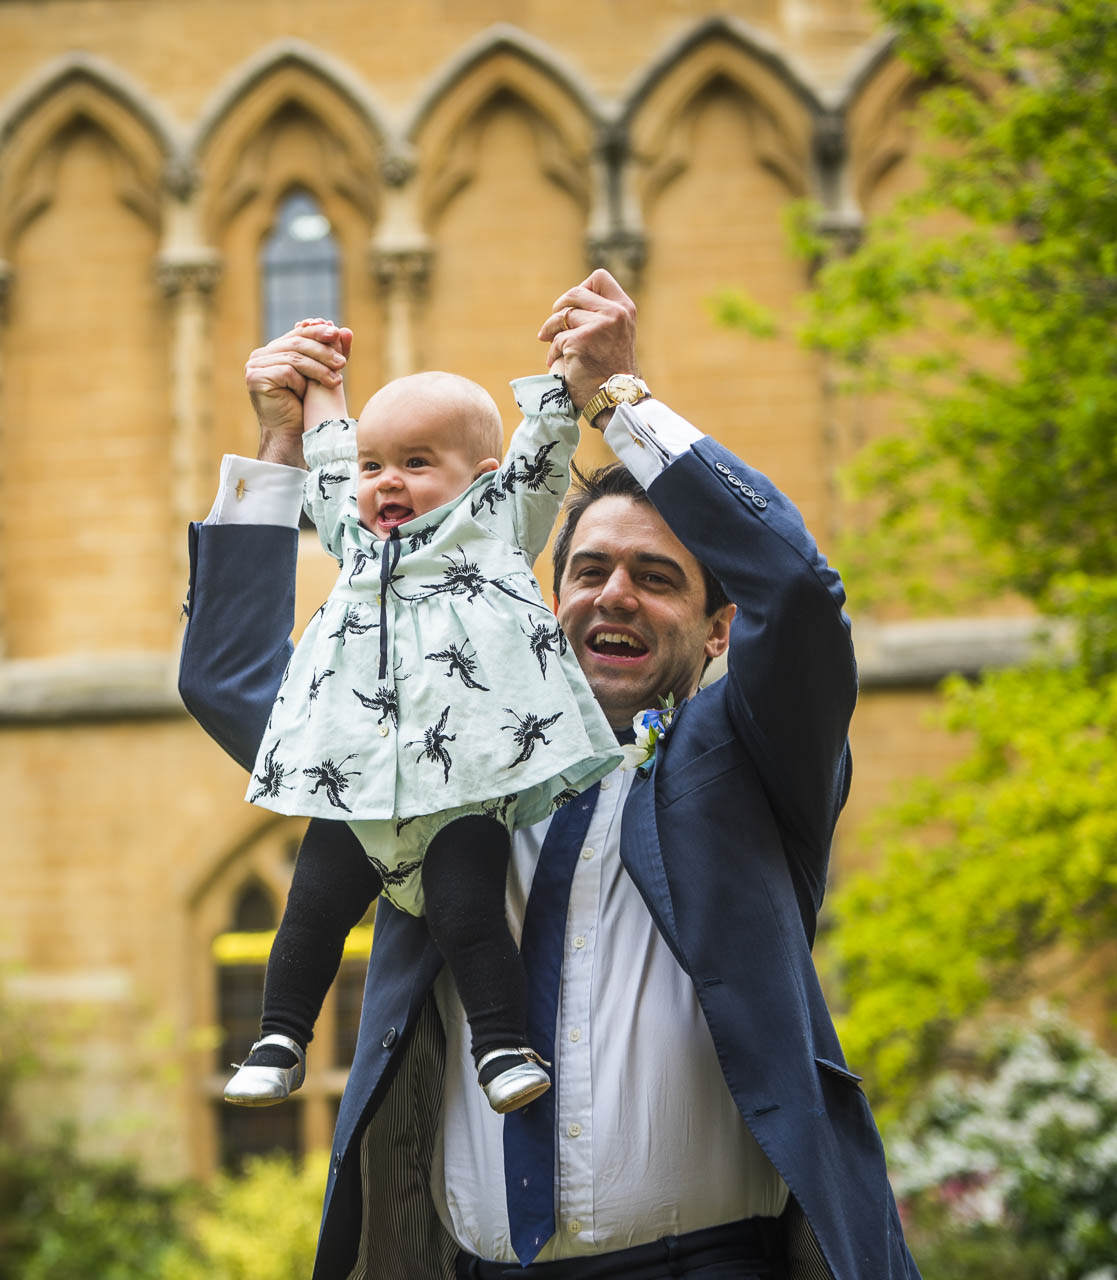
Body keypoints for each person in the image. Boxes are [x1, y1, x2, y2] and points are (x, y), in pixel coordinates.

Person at [179, 271, 919, 1279]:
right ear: (540, 600)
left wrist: (619, 399)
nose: (615, 592)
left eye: (657, 577)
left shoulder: (752, 760)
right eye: (588, 569)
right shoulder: (418, 759)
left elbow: (796, 586)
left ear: (717, 628)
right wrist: (276, 450)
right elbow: (229, 679)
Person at [226, 334, 621, 1115]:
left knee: (467, 911)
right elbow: (331, 455)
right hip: (359, 786)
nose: (383, 484)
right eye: (376, 467)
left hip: (461, 787)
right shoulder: (352, 541)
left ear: (478, 482)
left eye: (414, 462)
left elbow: (541, 452)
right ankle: (279, 1038)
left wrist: (565, 384)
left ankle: (501, 1045)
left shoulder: (495, 526)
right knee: (309, 907)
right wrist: (323, 390)